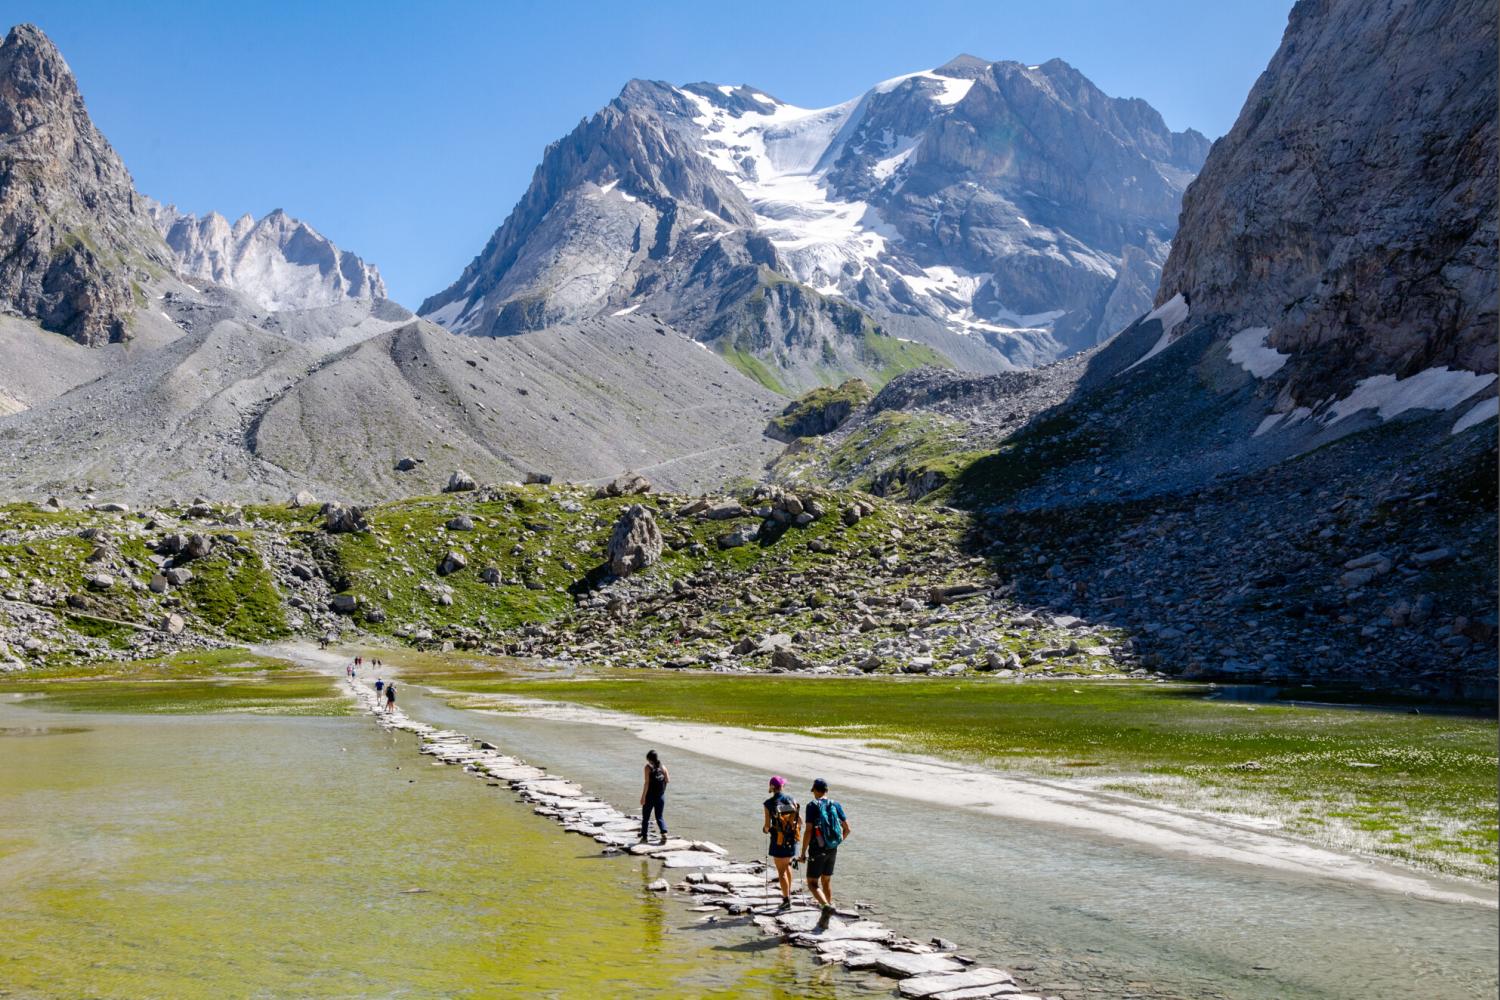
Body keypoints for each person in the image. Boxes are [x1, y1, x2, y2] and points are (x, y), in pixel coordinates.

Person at [799, 777, 849, 916]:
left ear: (815, 790)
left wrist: (803, 853)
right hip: (832, 848)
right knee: (826, 880)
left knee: (812, 883)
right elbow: (847, 829)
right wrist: (834, 843)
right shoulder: (836, 804)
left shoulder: (812, 805)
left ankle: (826, 907)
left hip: (817, 848)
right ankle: (828, 909)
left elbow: (808, 830)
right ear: (827, 790)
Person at [762, 776, 800, 910]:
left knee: (781, 871)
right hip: (792, 839)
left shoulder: (768, 803)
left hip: (777, 840)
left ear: (771, 787)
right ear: (782, 786)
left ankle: (786, 900)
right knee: (788, 865)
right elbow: (799, 821)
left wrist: (765, 830)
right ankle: (788, 894)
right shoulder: (792, 800)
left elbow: (767, 826)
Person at [638, 749, 669, 844]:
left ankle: (644, 838)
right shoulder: (663, 767)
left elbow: (646, 783)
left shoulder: (647, 768)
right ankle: (664, 834)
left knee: (646, 818)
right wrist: (662, 791)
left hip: (650, 796)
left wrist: (643, 797)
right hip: (660, 796)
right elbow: (667, 780)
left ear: (649, 759)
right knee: (659, 816)